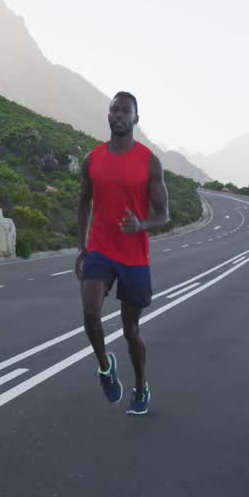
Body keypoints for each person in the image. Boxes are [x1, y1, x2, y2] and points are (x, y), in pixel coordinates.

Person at [75, 91, 170, 415]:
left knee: (131, 330)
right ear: (109, 115)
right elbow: (83, 202)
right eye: (114, 110)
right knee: (90, 312)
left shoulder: (149, 161)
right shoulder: (93, 158)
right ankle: (105, 366)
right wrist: (83, 247)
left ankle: (141, 385)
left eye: (125, 111)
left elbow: (164, 214)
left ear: (135, 119)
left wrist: (141, 224)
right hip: (100, 248)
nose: (118, 115)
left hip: (134, 256)